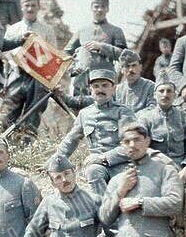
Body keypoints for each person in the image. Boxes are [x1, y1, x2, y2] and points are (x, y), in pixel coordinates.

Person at [55, 69, 135, 198]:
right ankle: (102, 210)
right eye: (95, 86)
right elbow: (71, 140)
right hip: (97, 166)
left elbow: (131, 145)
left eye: (105, 85)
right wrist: (55, 160)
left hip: (121, 164)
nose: (100, 89)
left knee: (123, 184)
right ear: (90, 89)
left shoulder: (123, 112)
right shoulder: (85, 114)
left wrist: (104, 158)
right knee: (93, 171)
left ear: (113, 89)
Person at [0, 0, 57, 141]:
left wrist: (50, 81)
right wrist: (3, 82)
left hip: (38, 80)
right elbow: (5, 57)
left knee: (32, 117)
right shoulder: (13, 30)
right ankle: (3, 145)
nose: (30, 8)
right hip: (16, 76)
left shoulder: (47, 30)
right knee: (7, 115)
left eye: (33, 5)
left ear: (38, 6)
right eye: (27, 5)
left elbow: (53, 57)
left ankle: (27, 147)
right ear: (22, 7)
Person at [64, 0, 127, 106]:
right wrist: (72, 69)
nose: (99, 10)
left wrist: (101, 47)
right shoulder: (82, 30)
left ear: (107, 9)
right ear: (91, 8)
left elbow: (124, 56)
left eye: (103, 6)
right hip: (82, 82)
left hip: (104, 82)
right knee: (80, 115)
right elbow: (66, 53)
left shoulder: (115, 31)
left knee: (106, 115)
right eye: (96, 6)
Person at [137, 70, 186, 180]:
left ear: (175, 95)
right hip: (154, 170)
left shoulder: (185, 118)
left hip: (180, 171)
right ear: (154, 95)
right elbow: (142, 149)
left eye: (169, 91)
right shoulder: (145, 118)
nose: (165, 95)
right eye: (161, 91)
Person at [115, 50, 156, 114]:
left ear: (140, 67)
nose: (131, 69)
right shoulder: (117, 90)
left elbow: (153, 108)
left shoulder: (150, 87)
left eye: (134, 65)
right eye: (127, 66)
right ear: (122, 70)